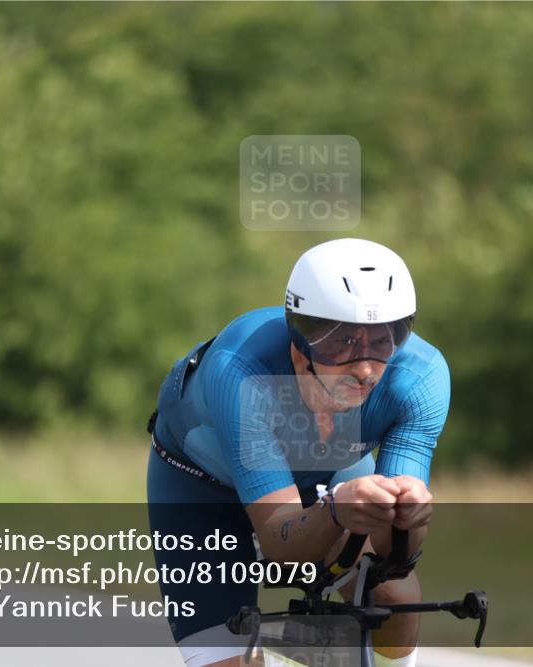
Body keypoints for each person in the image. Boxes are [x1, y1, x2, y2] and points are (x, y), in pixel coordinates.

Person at [147, 238, 450, 667]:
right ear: (301, 341)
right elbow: (281, 540)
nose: (364, 368)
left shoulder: (420, 379)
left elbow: (392, 555)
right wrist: (337, 511)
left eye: (383, 341)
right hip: (201, 492)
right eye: (343, 342)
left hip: (326, 481)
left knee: (395, 599)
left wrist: (408, 518)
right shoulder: (242, 371)